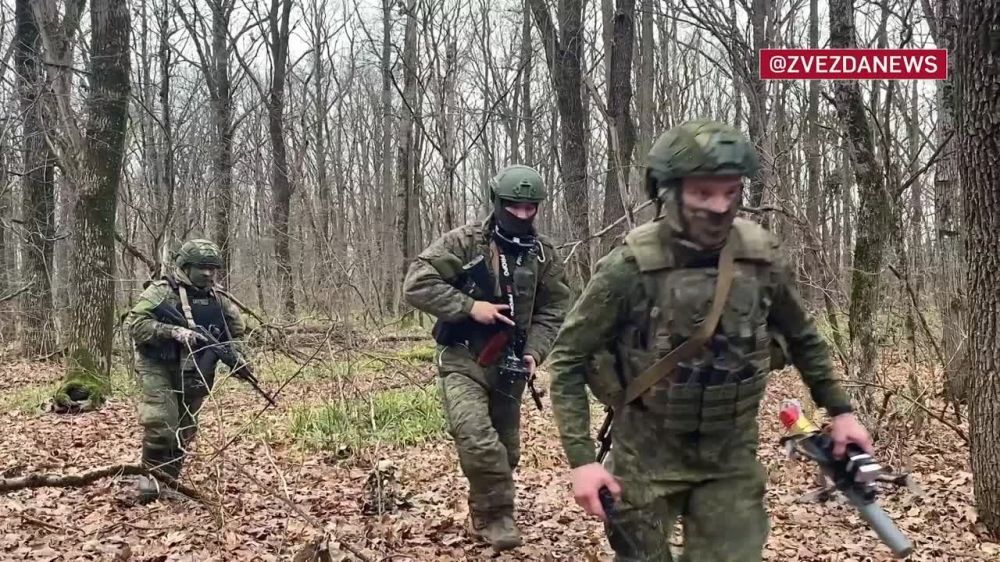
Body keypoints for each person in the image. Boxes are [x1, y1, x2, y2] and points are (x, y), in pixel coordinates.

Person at [545, 119, 874, 561]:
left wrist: (842, 412)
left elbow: (803, 338)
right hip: (645, 456)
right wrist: (583, 461)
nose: (720, 206)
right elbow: (568, 359)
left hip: (729, 458)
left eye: (730, 191)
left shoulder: (760, 259)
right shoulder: (630, 267)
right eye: (703, 193)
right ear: (668, 193)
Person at [402, 164, 571, 551]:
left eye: (530, 208)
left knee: (507, 452)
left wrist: (535, 351)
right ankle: (496, 517)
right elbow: (417, 283)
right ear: (497, 202)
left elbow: (554, 309)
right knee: (477, 439)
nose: (523, 214)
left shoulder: (543, 254)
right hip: (463, 357)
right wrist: (469, 306)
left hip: (510, 365)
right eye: (514, 207)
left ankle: (484, 507)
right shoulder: (465, 243)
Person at [126, 238, 247, 503]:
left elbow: (237, 333)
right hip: (158, 365)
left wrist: (236, 357)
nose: (208, 273)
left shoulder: (218, 298)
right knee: (161, 422)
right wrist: (172, 331)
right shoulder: (162, 291)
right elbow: (135, 325)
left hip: (196, 369)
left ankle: (169, 482)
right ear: (186, 266)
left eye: (212, 268)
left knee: (185, 428)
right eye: (202, 267)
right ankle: (149, 482)